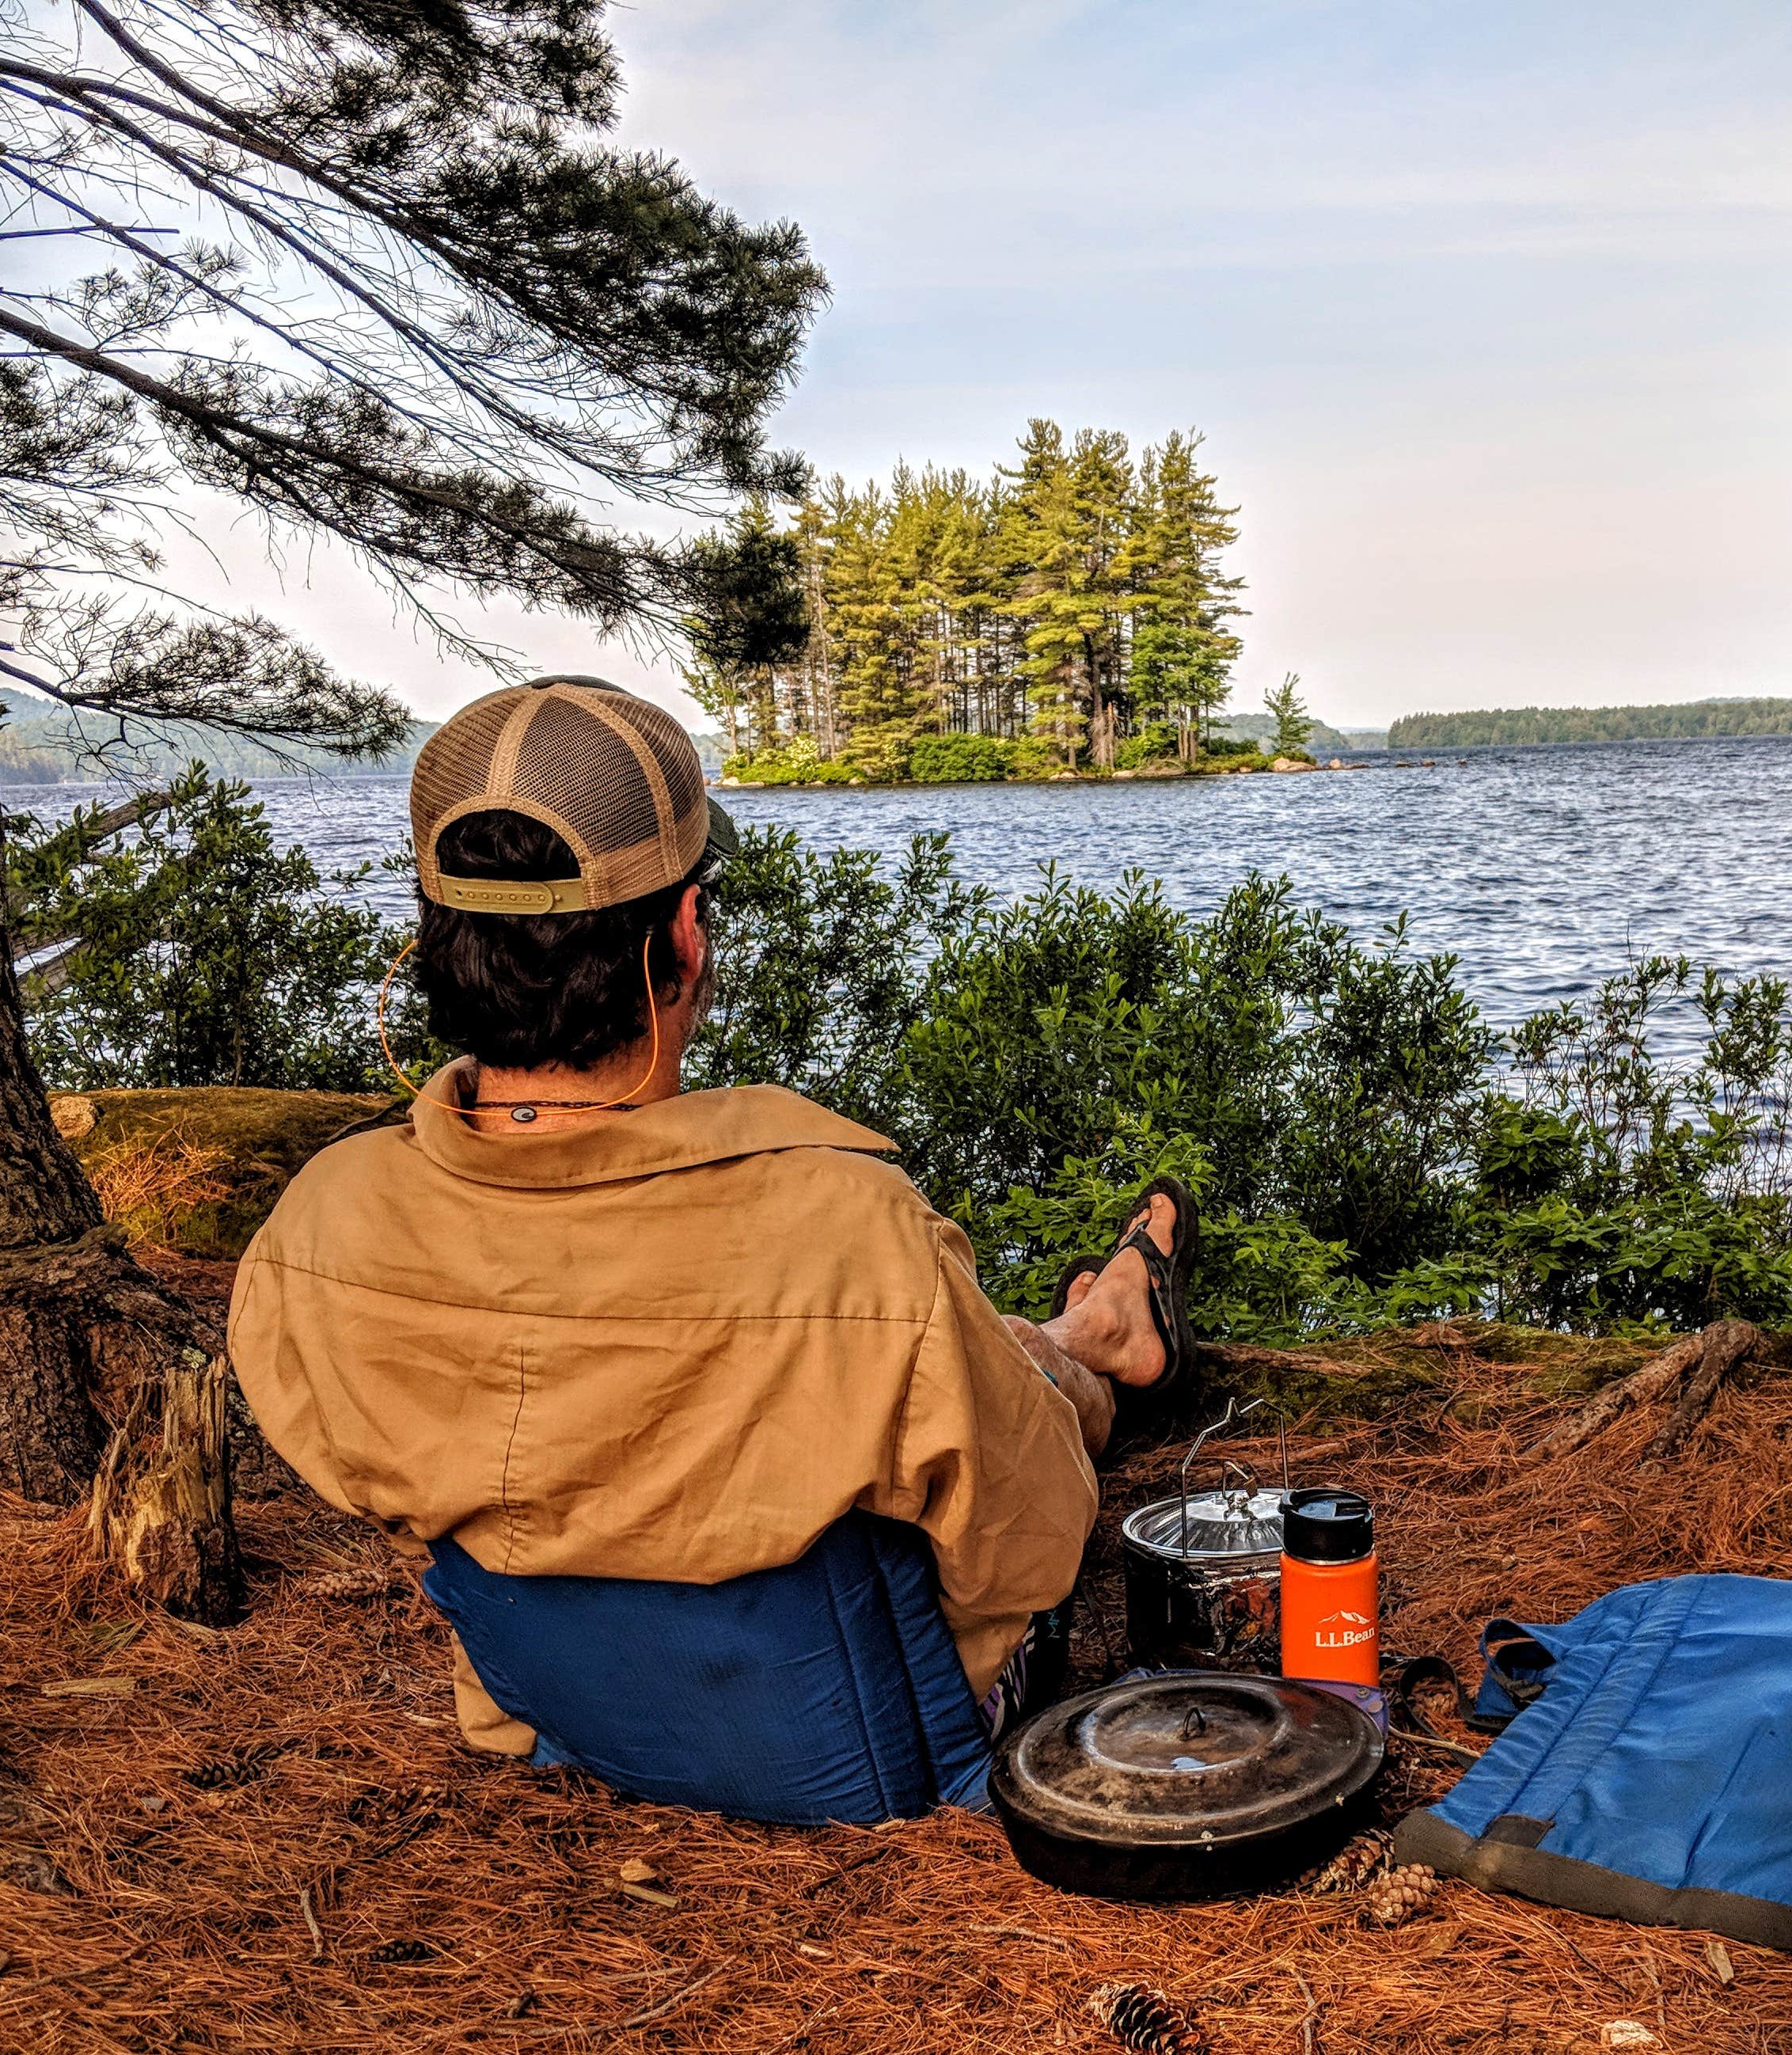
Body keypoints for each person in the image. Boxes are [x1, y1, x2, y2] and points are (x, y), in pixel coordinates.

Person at [226, 676, 1194, 1821]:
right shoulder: (847, 1233)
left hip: (559, 1728)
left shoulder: (315, 1234)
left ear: (437, 942)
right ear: (683, 935)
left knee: (939, 1362)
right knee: (1008, 1394)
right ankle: (1089, 1340)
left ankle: (1076, 1333)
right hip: (884, 1768)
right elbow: (1026, 1551)